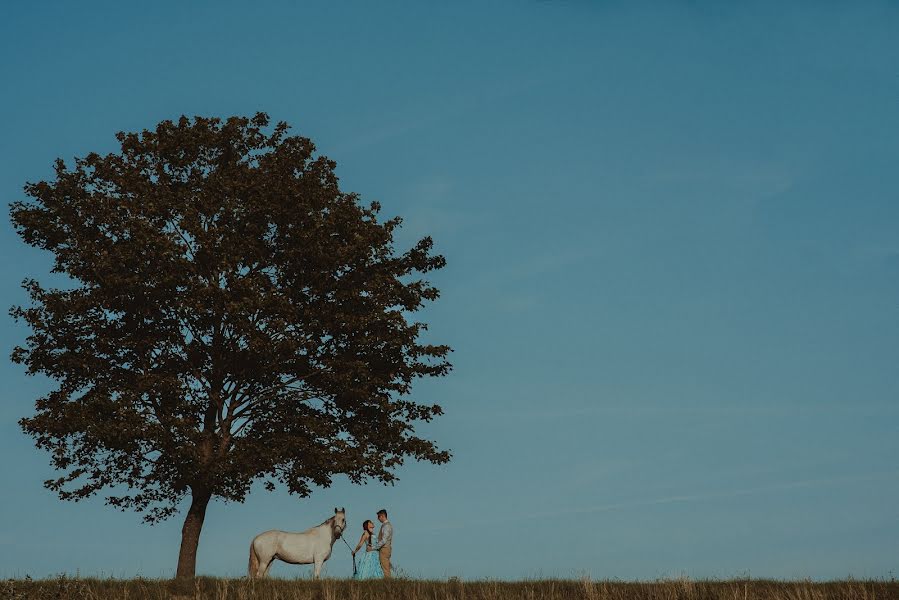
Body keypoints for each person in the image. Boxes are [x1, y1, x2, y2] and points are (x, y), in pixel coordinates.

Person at [368, 509, 393, 578]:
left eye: (379, 517)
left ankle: (388, 584)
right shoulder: (385, 525)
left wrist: (372, 548)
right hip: (385, 549)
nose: (378, 519)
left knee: (385, 569)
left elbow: (383, 540)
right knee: (385, 567)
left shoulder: (386, 526)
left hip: (384, 549)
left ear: (382, 516)